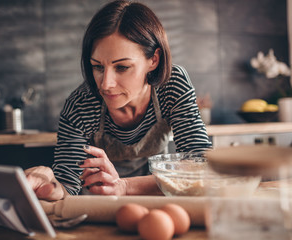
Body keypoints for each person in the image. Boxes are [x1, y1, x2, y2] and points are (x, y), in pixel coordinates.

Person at [25, 0, 212, 201]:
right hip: (101, 203)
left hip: (156, 196)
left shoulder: (171, 84)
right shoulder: (80, 105)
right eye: (98, 67)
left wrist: (123, 186)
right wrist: (49, 181)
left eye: (122, 67)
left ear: (154, 60)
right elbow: (68, 186)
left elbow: (200, 165)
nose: (105, 84)